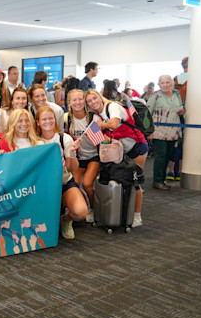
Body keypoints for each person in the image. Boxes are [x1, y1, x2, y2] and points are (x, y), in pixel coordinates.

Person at [85, 89, 147, 227]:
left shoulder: (112, 107)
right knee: (121, 180)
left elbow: (113, 124)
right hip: (120, 151)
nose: (93, 102)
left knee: (135, 182)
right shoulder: (96, 116)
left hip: (136, 146)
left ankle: (137, 216)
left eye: (94, 98)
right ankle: (123, 213)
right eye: (89, 101)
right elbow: (98, 137)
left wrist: (101, 125)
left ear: (100, 97)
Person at [35, 106, 87, 239]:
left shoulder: (64, 138)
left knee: (81, 212)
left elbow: (72, 168)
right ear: (38, 122)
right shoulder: (34, 141)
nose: (48, 121)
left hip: (64, 182)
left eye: (51, 118)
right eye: (44, 119)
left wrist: (71, 152)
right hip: (44, 187)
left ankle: (66, 219)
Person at [65, 89, 99, 223]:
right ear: (69, 102)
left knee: (87, 183)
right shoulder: (67, 118)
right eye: (74, 100)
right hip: (78, 158)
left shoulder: (92, 118)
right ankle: (80, 207)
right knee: (75, 184)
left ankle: (93, 208)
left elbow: (99, 139)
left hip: (93, 156)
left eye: (80, 99)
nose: (78, 102)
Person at [147, 75, 184, 190]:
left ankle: (162, 180)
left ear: (171, 83)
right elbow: (147, 113)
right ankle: (157, 181)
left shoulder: (176, 94)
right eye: (162, 83)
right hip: (159, 130)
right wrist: (148, 131)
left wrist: (182, 111)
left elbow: (179, 108)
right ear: (159, 84)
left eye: (167, 82)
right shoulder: (155, 96)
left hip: (173, 130)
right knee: (161, 155)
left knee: (168, 156)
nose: (165, 85)